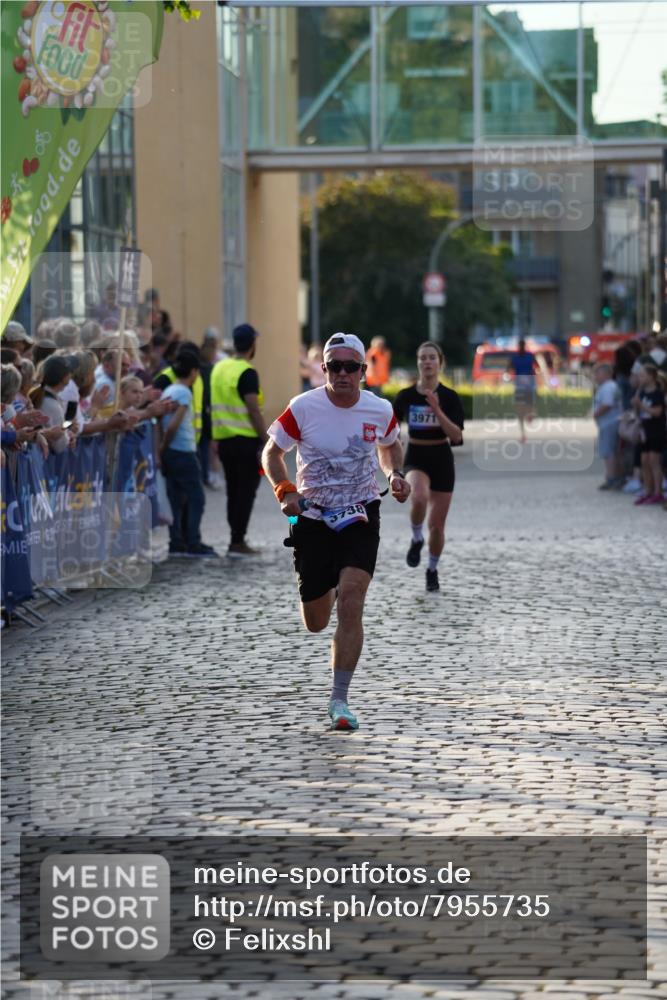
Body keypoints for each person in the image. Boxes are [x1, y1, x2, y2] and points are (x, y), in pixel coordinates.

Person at [262, 331, 410, 731]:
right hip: (312, 518)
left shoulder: (379, 409)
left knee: (352, 596)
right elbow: (272, 452)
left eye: (350, 367)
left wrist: (395, 474)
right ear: (323, 368)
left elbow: (390, 444)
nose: (342, 374)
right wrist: (284, 491)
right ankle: (322, 584)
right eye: (334, 366)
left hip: (361, 513)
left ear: (363, 370)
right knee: (315, 620)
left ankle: (339, 699)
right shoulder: (303, 407)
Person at [392, 342, 464, 593]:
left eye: (432, 357)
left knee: (437, 525)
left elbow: (456, 436)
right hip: (417, 454)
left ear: (440, 362)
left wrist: (436, 409)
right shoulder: (406, 396)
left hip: (441, 457)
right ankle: (415, 537)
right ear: (418, 362)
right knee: (419, 497)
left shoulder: (450, 397)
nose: (427, 362)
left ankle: (432, 569)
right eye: (422, 358)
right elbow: (391, 430)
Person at [211, 324, 268, 557]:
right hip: (246, 441)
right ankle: (237, 541)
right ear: (252, 344)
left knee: (233, 491)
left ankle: (235, 538)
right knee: (245, 492)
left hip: (224, 440)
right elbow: (253, 409)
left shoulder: (219, 368)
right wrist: (265, 439)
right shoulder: (246, 372)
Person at [159, 353, 217, 558]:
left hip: (172, 453)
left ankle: (176, 542)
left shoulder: (168, 390)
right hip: (183, 451)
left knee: (176, 497)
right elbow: (174, 424)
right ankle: (193, 541)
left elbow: (161, 422)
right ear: (193, 372)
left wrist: (162, 448)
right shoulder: (183, 392)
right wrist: (164, 445)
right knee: (196, 498)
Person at [632, 363, 665, 505]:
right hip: (644, 430)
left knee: (654, 461)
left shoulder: (657, 393)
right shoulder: (642, 392)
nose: (640, 378)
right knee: (644, 461)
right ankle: (648, 490)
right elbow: (639, 412)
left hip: (656, 430)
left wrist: (641, 405)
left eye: (643, 375)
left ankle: (658, 492)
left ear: (651, 377)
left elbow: (657, 412)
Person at [592, 362, 623, 490]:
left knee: (609, 452)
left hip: (609, 423)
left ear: (607, 374)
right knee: (610, 451)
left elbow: (607, 404)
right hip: (608, 423)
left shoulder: (608, 387)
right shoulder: (609, 386)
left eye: (598, 373)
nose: (596, 377)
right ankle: (613, 477)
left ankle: (612, 478)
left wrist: (595, 414)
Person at [508, 338, 537, 443]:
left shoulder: (515, 358)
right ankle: (529, 417)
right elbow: (536, 368)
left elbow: (509, 369)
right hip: (528, 385)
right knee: (529, 406)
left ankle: (523, 433)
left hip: (521, 386)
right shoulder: (530, 356)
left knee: (521, 410)